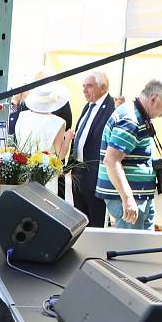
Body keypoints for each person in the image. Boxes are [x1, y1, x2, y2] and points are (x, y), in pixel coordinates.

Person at [96, 78, 162, 230]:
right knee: (129, 250)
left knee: (140, 248)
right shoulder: (130, 120)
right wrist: (127, 198)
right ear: (153, 99)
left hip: (139, 196)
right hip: (131, 199)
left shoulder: (137, 114)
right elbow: (111, 160)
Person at [70, 71, 114, 227]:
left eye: (89, 86)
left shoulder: (112, 107)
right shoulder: (88, 107)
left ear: (103, 87)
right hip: (80, 172)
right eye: (83, 86)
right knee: (80, 220)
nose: (84, 90)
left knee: (96, 221)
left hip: (96, 174)